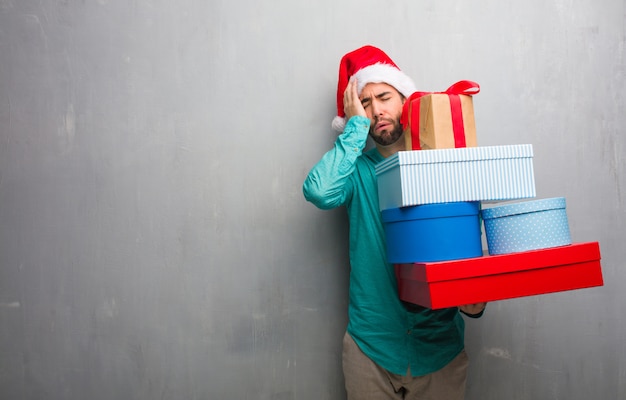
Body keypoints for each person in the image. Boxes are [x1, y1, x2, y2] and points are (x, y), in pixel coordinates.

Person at [302, 45, 487, 399]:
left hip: (439, 350)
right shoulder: (355, 171)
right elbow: (320, 192)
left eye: (384, 97)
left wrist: (474, 293)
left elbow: (464, 234)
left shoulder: (443, 162)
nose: (377, 110)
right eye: (365, 103)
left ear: (405, 99)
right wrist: (354, 129)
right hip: (371, 349)